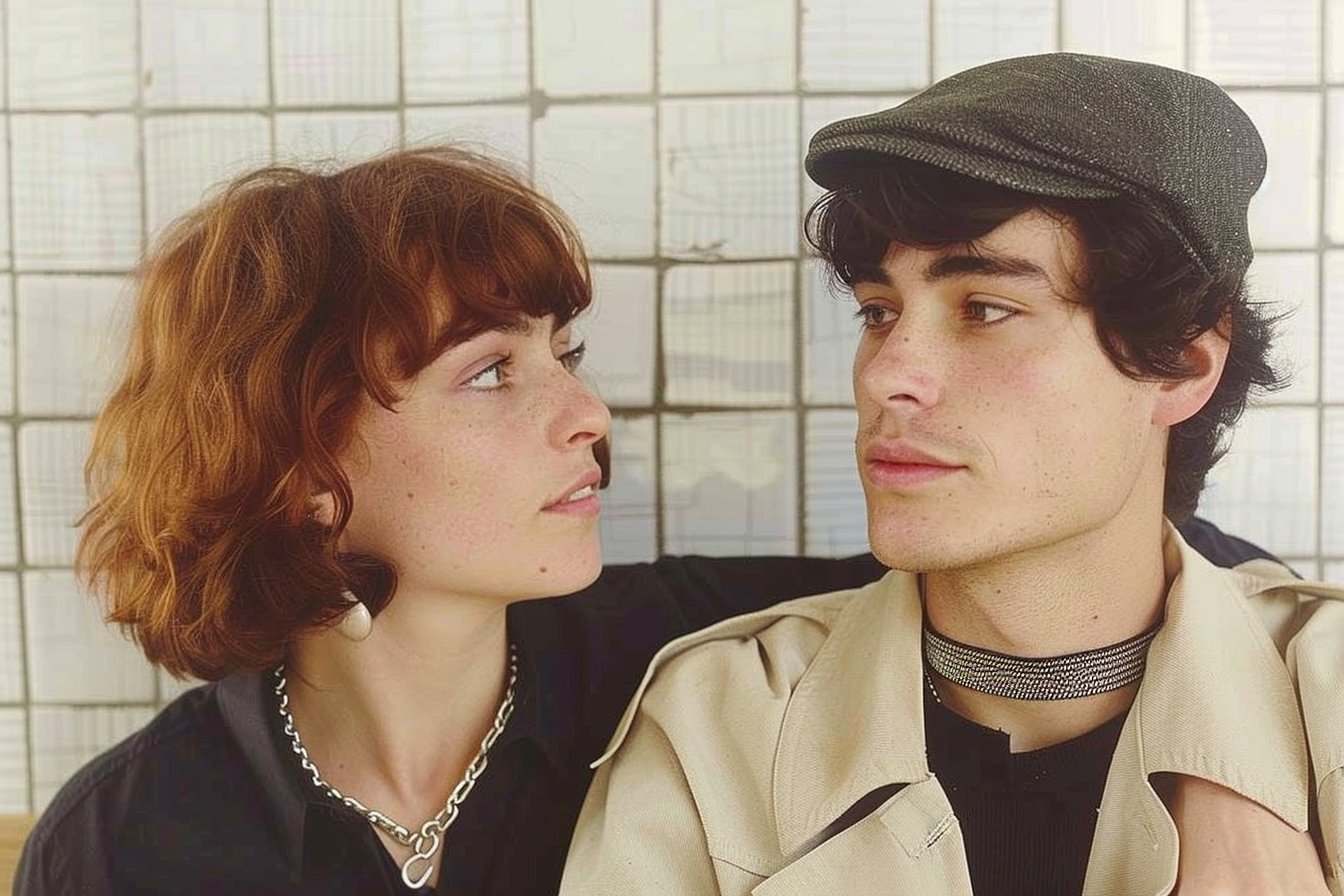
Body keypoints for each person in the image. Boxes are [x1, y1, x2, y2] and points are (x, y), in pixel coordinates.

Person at [11, 145, 1315, 896]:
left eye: (562, 350)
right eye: (491, 372)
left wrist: (1226, 768)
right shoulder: (130, 841)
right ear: (303, 465)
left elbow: (1059, 544)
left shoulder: (688, 655)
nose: (587, 413)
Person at [558, 53, 1344, 896]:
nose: (885, 374)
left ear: (1183, 366)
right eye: (878, 311)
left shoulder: (1325, 697)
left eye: (985, 310)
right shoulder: (719, 723)